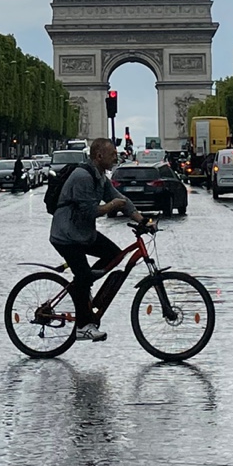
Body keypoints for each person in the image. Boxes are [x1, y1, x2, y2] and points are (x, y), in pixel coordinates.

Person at [49, 136, 142, 342]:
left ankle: (83, 287)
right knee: (83, 277)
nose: (116, 158)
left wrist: (142, 220)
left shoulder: (99, 175)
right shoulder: (83, 176)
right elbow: (89, 212)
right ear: (99, 156)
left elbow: (121, 199)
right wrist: (111, 206)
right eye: (112, 155)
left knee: (114, 255)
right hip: (66, 235)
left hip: (82, 233)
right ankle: (83, 326)